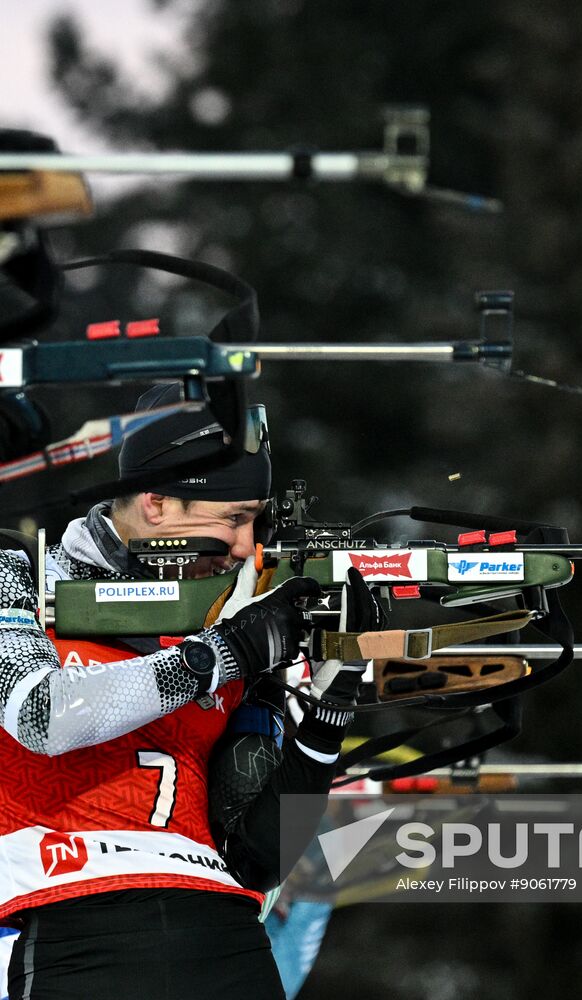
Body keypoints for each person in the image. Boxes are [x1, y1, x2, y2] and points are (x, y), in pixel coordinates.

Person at [0, 384, 376, 1000]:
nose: (245, 546)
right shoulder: (19, 572)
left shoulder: (234, 608)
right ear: (156, 503)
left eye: (255, 521)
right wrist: (226, 653)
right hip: (73, 929)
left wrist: (328, 712)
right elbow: (43, 715)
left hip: (227, 937)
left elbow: (260, 856)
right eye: (233, 518)